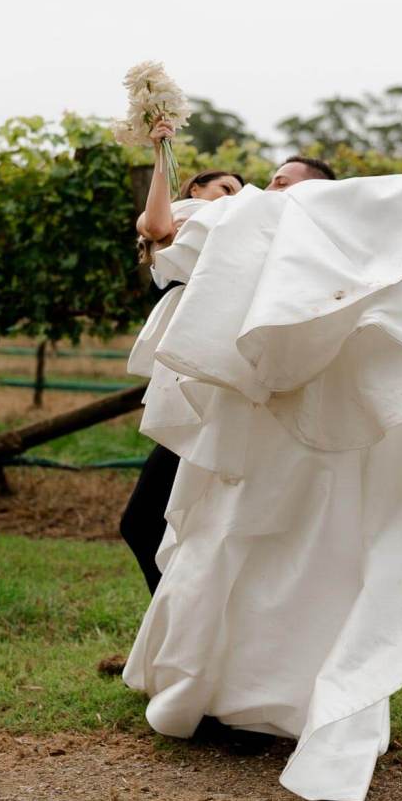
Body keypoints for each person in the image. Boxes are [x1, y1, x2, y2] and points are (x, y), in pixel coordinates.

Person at [121, 151, 402, 801]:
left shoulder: (315, 236)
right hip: (244, 405)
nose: (268, 185)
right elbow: (159, 228)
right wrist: (163, 146)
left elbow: (373, 257)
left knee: (297, 557)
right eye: (268, 177)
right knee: (225, 547)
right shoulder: (228, 218)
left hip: (298, 410)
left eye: (286, 179)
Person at [120, 117, 244, 594]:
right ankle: (178, 622)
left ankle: (188, 624)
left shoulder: (241, 228)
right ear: (196, 188)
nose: (233, 198)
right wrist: (160, 152)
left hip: (222, 375)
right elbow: (157, 225)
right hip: (190, 374)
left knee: (158, 521)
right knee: (145, 523)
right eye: (225, 188)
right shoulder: (185, 217)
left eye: (239, 193)